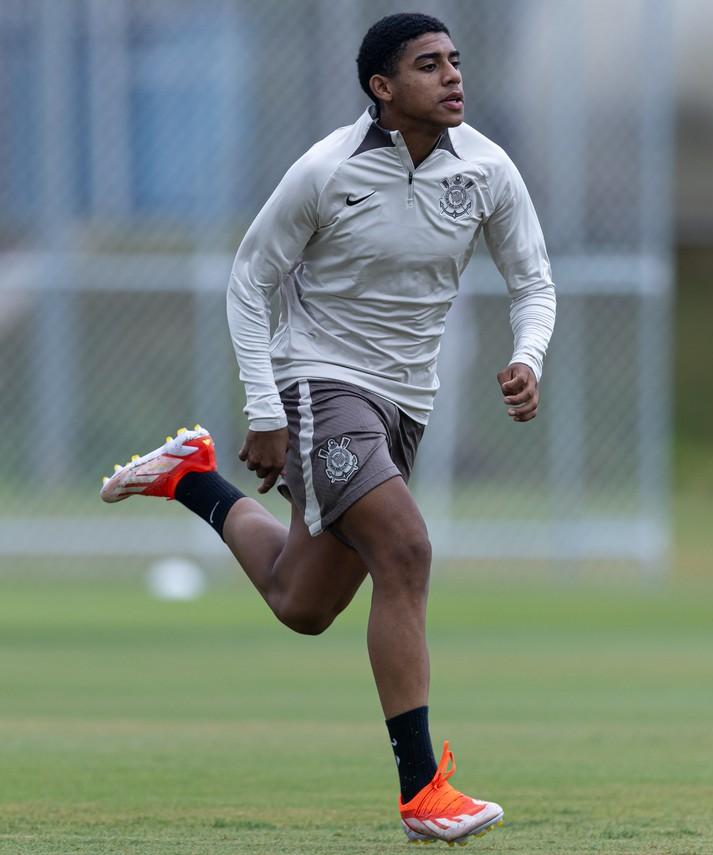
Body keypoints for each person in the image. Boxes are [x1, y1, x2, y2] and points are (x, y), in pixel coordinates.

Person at [100, 11, 555, 847]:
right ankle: (423, 792)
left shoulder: (487, 169)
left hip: (405, 408)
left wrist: (530, 355)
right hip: (320, 383)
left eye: (455, 61)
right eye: (429, 65)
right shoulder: (326, 170)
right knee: (407, 550)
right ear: (383, 89)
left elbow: (534, 280)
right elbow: (249, 282)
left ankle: (188, 476)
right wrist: (268, 410)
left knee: (301, 602)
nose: (453, 76)